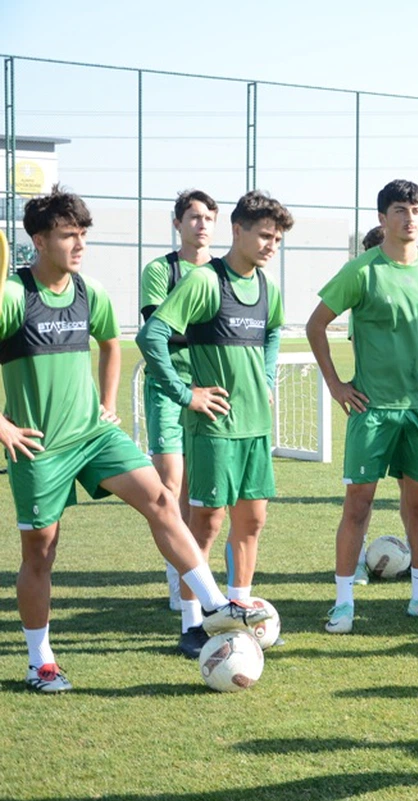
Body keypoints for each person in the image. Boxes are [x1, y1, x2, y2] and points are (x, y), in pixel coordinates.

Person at [5, 187, 265, 689]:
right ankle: (40, 660)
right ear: (38, 240)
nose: (79, 244)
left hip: (94, 436)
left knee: (163, 500)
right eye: (67, 235)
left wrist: (106, 404)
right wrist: (5, 427)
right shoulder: (15, 296)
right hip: (39, 447)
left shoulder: (90, 291)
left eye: (83, 234)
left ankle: (212, 604)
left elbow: (110, 344)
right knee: (40, 553)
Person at [138, 190, 291, 657]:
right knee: (205, 523)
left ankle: (238, 611)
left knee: (253, 521)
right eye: (263, 235)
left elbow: (274, 331)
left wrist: (266, 376)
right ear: (238, 230)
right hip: (215, 429)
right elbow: (153, 335)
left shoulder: (268, 287)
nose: (270, 245)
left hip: (256, 428)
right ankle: (193, 624)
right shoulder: (206, 281)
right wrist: (186, 395)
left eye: (277, 239)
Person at [306, 179, 418, 634]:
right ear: (381, 218)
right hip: (371, 410)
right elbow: (317, 325)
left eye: (416, 210)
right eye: (399, 210)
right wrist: (335, 385)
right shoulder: (363, 270)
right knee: (358, 504)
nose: (409, 218)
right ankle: (343, 602)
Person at [139, 189, 217, 611]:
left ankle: (198, 574)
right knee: (170, 487)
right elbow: (160, 329)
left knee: (202, 491)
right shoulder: (160, 270)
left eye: (208, 217)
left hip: (210, 390)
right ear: (178, 224)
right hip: (170, 388)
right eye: (193, 217)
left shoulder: (223, 273)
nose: (201, 224)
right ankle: (179, 580)